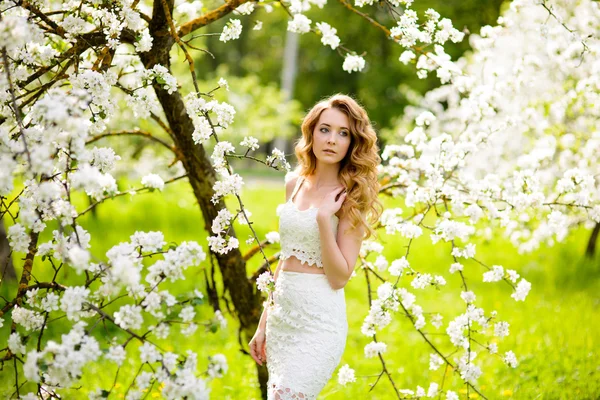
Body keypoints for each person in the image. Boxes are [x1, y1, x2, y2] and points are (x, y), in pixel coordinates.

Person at [249, 93, 383, 399]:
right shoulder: (293, 183)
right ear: (311, 132)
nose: (332, 140)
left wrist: (325, 219)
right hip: (282, 320)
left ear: (352, 143)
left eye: (343, 133)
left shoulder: (351, 197)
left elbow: (339, 278)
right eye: (325, 129)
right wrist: (263, 323)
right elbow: (286, 257)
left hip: (319, 325)